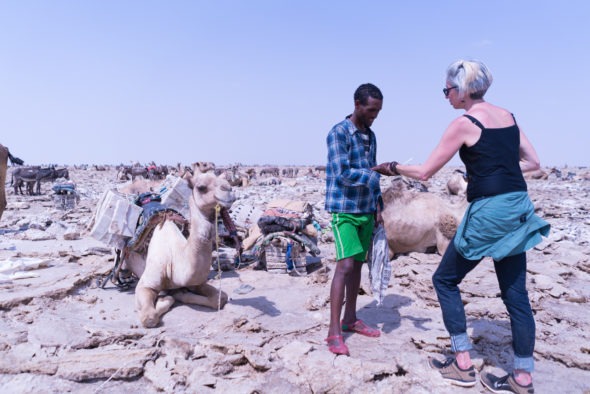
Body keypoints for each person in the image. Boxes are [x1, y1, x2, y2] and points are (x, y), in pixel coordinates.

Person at [373, 60, 550, 393]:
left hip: (488, 212)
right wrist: (495, 170)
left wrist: (391, 167)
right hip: (517, 207)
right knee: (516, 295)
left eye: (447, 90)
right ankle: (523, 377)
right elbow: (533, 162)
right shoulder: (509, 117)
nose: (445, 96)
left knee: (444, 279)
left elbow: (425, 172)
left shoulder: (464, 123)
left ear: (464, 90)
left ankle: (462, 363)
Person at [324, 83, 384, 356]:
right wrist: (378, 173)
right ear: (357, 105)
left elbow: (371, 174)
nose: (374, 116)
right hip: (344, 210)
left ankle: (350, 318)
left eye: (378, 111)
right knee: (345, 265)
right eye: (371, 110)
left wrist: (378, 206)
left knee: (357, 266)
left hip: (365, 210)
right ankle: (333, 331)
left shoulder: (370, 135)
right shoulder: (339, 133)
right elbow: (342, 173)